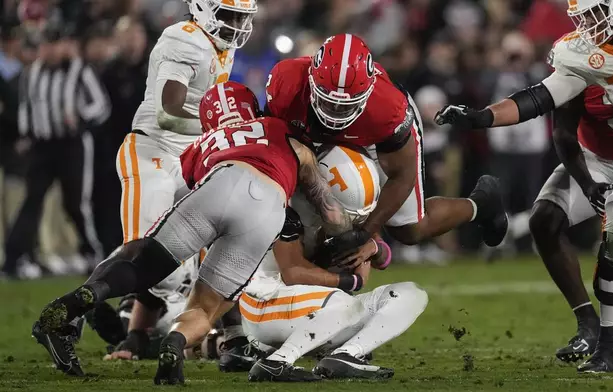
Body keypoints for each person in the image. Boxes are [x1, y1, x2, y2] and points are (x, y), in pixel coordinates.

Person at [32, 81, 356, 385]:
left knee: (144, 264)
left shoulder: (198, 144)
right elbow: (328, 209)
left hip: (215, 187)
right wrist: (352, 235)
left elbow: (190, 192)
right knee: (207, 305)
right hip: (267, 209)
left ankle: (83, 297)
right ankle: (176, 341)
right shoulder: (279, 128)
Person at [435, 0, 613, 373]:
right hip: (606, 158)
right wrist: (482, 117)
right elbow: (540, 101)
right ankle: (597, 334)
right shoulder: (580, 56)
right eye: (583, 17)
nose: (588, 26)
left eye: (595, 14)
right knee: (564, 224)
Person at [107, 0, 260, 372]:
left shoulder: (218, 45)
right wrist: (226, 129)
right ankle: (78, 307)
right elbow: (169, 112)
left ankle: (233, 337)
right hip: (154, 151)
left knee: (216, 233)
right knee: (152, 256)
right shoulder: (184, 39)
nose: (238, 24)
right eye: (229, 15)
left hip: (188, 156)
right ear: (203, 9)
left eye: (242, 16)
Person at [264, 34, 508, 265]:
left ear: (366, 93)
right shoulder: (286, 82)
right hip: (312, 135)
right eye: (328, 100)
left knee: (409, 229)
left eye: (345, 105)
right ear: (311, 80)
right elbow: (274, 146)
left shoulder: (388, 109)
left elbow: (402, 176)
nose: (335, 113)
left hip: (371, 137)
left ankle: (482, 202)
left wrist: (364, 234)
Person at [243, 145, 428, 382]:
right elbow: (292, 273)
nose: (354, 222)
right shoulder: (286, 208)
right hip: (265, 305)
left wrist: (372, 248)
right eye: (351, 215)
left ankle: (346, 355)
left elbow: (382, 258)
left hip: (318, 311)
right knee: (346, 303)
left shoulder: (342, 208)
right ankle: (277, 361)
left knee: (411, 293)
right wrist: (351, 280)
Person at [4, 21, 109, 278]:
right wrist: (27, 133)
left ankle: (92, 253)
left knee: (75, 203)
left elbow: (100, 105)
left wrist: (80, 117)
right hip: (42, 146)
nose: (50, 50)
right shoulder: (33, 73)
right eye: (46, 44)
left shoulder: (79, 70)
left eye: (55, 44)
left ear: (64, 45)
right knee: (32, 200)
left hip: (72, 144)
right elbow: (26, 108)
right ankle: (16, 258)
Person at [530, 84, 613, 362]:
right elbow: (562, 131)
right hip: (594, 159)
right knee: (545, 219)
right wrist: (586, 183)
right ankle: (588, 323)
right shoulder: (581, 61)